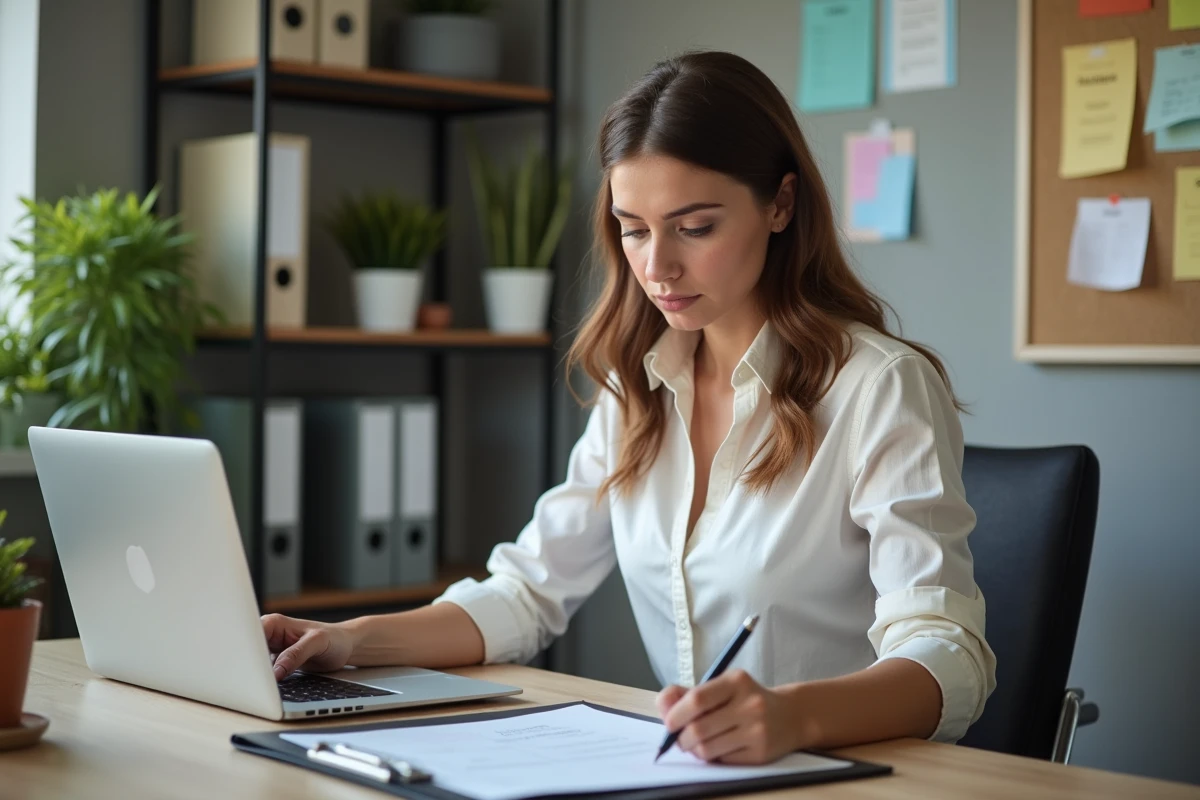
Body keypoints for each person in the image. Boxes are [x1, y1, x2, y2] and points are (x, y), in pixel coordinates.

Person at [263, 50, 996, 766]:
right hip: (693, 775)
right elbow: (526, 594)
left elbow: (947, 656)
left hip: (848, 779)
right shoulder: (637, 387)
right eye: (634, 228)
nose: (657, 267)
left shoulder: (878, 386)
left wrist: (791, 716)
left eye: (696, 226)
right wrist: (349, 640)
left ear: (781, 203)